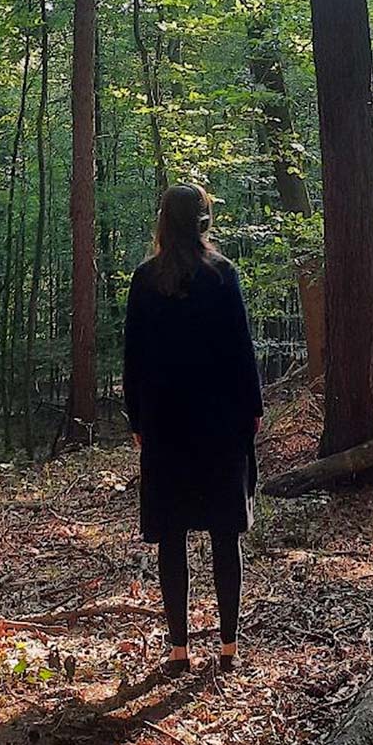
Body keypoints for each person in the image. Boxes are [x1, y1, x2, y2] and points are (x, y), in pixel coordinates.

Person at [122, 183, 263, 675]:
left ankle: (179, 651)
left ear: (164, 220)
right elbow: (242, 350)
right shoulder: (222, 275)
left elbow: (133, 358)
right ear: (203, 220)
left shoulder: (145, 279)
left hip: (166, 424)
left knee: (172, 534)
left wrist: (137, 418)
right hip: (221, 423)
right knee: (225, 534)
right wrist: (252, 409)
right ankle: (228, 648)